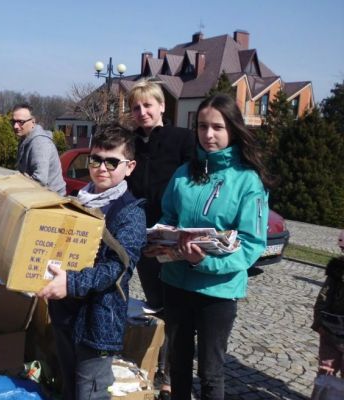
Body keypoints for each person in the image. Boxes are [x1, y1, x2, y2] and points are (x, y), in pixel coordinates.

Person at [149, 94, 270, 400]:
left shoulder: (248, 181)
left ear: (232, 129)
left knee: (210, 372)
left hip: (218, 292)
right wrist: (162, 240)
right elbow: (168, 216)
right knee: (177, 365)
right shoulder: (184, 173)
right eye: (202, 126)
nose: (208, 134)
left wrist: (204, 263)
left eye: (217, 126)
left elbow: (252, 244)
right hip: (176, 282)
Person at [37, 124, 147, 400]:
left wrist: (71, 282)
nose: (102, 167)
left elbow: (118, 268)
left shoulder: (130, 213)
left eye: (112, 162)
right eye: (96, 159)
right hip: (65, 313)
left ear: (129, 167)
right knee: (69, 387)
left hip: (97, 321)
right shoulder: (78, 200)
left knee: (90, 393)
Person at [126, 78, 195, 397]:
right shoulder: (131, 144)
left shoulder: (182, 139)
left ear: (162, 106)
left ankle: (172, 374)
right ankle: (157, 362)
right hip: (143, 236)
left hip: (173, 236)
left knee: (178, 308)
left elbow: (198, 182)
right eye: (136, 107)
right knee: (157, 305)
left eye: (148, 105)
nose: (142, 112)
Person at [12, 103, 66, 195]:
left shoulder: (39, 143)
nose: (15, 126)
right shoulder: (26, 138)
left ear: (32, 122)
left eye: (20, 122)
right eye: (13, 122)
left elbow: (40, 180)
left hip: (51, 200)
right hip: (38, 194)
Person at [311, 230, 344, 377]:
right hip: (331, 331)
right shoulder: (337, 269)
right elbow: (323, 298)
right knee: (326, 370)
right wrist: (319, 323)